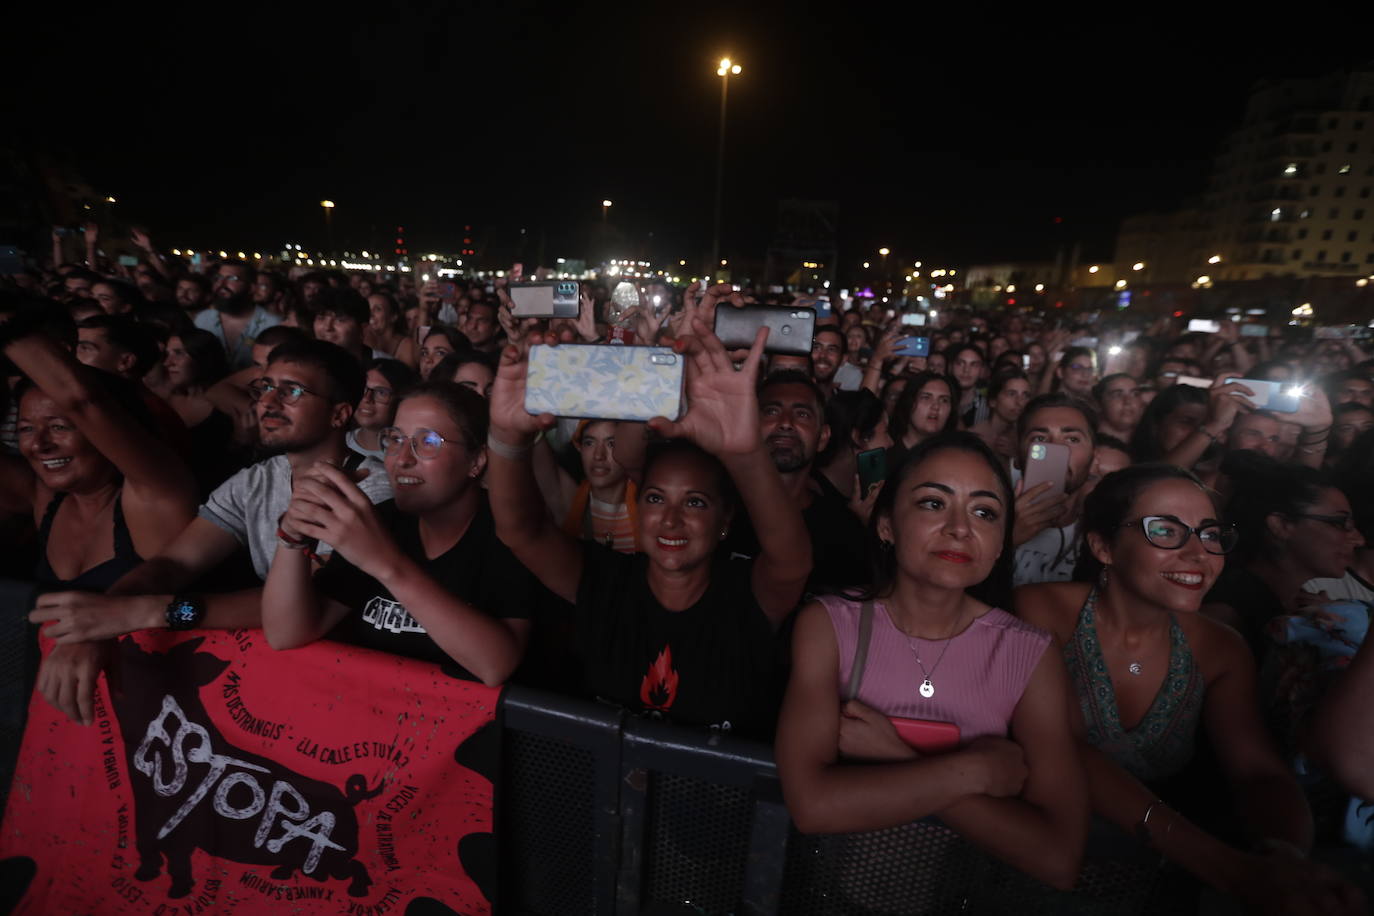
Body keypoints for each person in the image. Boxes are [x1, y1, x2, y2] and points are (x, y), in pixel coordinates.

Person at [1016, 464, 1364, 914]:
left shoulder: (1219, 649)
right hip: (1030, 866)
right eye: (1165, 530)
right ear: (1103, 546)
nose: (1199, 554)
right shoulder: (1040, 611)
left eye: (1210, 534)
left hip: (1155, 883)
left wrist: (1284, 855)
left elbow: (1259, 774)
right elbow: (1067, 751)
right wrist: (1228, 869)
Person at [775, 432, 1087, 890]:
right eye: (933, 504)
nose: (960, 528)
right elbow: (813, 806)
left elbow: (1057, 856)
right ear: (886, 525)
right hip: (822, 894)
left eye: (984, 512)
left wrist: (896, 753)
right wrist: (975, 770)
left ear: (1001, 542)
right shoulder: (829, 626)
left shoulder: (1029, 653)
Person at [25, 340, 396, 720]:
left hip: (357, 689)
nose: (268, 402)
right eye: (265, 387)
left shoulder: (371, 491)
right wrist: (102, 617)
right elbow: (175, 562)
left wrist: (146, 612)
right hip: (284, 674)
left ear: (339, 415)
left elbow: (305, 605)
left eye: (292, 391)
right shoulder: (256, 481)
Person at [486, 322, 811, 735]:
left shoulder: (745, 596)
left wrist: (745, 452)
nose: (671, 520)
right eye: (656, 499)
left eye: (695, 502)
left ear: (725, 519)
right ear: (638, 506)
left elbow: (792, 561)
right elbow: (521, 531)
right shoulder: (607, 583)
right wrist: (505, 436)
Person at [0, 309, 198, 726]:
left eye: (59, 426)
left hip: (165, 715)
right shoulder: (47, 497)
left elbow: (84, 400)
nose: (40, 445)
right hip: (69, 713)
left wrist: (11, 322)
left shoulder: (156, 496)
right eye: (25, 429)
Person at [262, 381, 535, 683]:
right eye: (395, 439)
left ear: (476, 460)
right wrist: (292, 534)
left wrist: (385, 563)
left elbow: (496, 664)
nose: (402, 459)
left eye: (428, 441)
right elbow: (285, 634)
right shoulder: (385, 520)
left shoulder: (512, 533)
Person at [721, 370, 871, 593]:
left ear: (822, 437)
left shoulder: (842, 530)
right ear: (749, 427)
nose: (786, 423)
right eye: (772, 411)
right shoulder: (720, 511)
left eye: (802, 415)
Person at [1204, 453, 1365, 660]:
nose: (1358, 540)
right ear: (1281, 525)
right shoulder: (1226, 614)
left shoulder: (1302, 607)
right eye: (1340, 523)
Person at [1010, 394, 1097, 587]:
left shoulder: (1104, 531)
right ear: (1017, 456)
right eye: (1040, 438)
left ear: (1093, 459)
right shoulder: (986, 520)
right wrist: (1006, 538)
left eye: (1072, 439)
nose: (1056, 448)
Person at [531, 419, 638, 553]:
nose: (599, 455)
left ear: (628, 449)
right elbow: (531, 435)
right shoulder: (569, 499)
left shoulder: (651, 503)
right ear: (579, 447)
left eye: (612, 444)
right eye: (589, 443)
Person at [193, 259, 282, 370]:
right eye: (219, 278)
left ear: (251, 288)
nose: (221, 284)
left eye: (232, 279)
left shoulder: (272, 324)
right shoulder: (203, 319)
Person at [348, 358, 419, 461]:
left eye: (381, 392)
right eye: (363, 388)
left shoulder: (406, 456)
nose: (367, 398)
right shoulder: (339, 443)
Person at [888, 371, 960, 457]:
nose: (936, 406)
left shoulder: (954, 457)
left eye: (944, 400)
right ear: (909, 402)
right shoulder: (886, 453)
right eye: (926, 398)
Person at [968, 369, 1031, 465]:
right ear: (993, 400)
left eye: (1025, 395)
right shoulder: (971, 438)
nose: (1020, 402)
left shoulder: (1026, 440)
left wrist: (1017, 457)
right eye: (1011, 394)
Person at [1093, 373, 1142, 443]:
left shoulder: (1151, 440)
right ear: (1099, 403)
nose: (1128, 401)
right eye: (1117, 395)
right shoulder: (1088, 442)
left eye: (1135, 394)